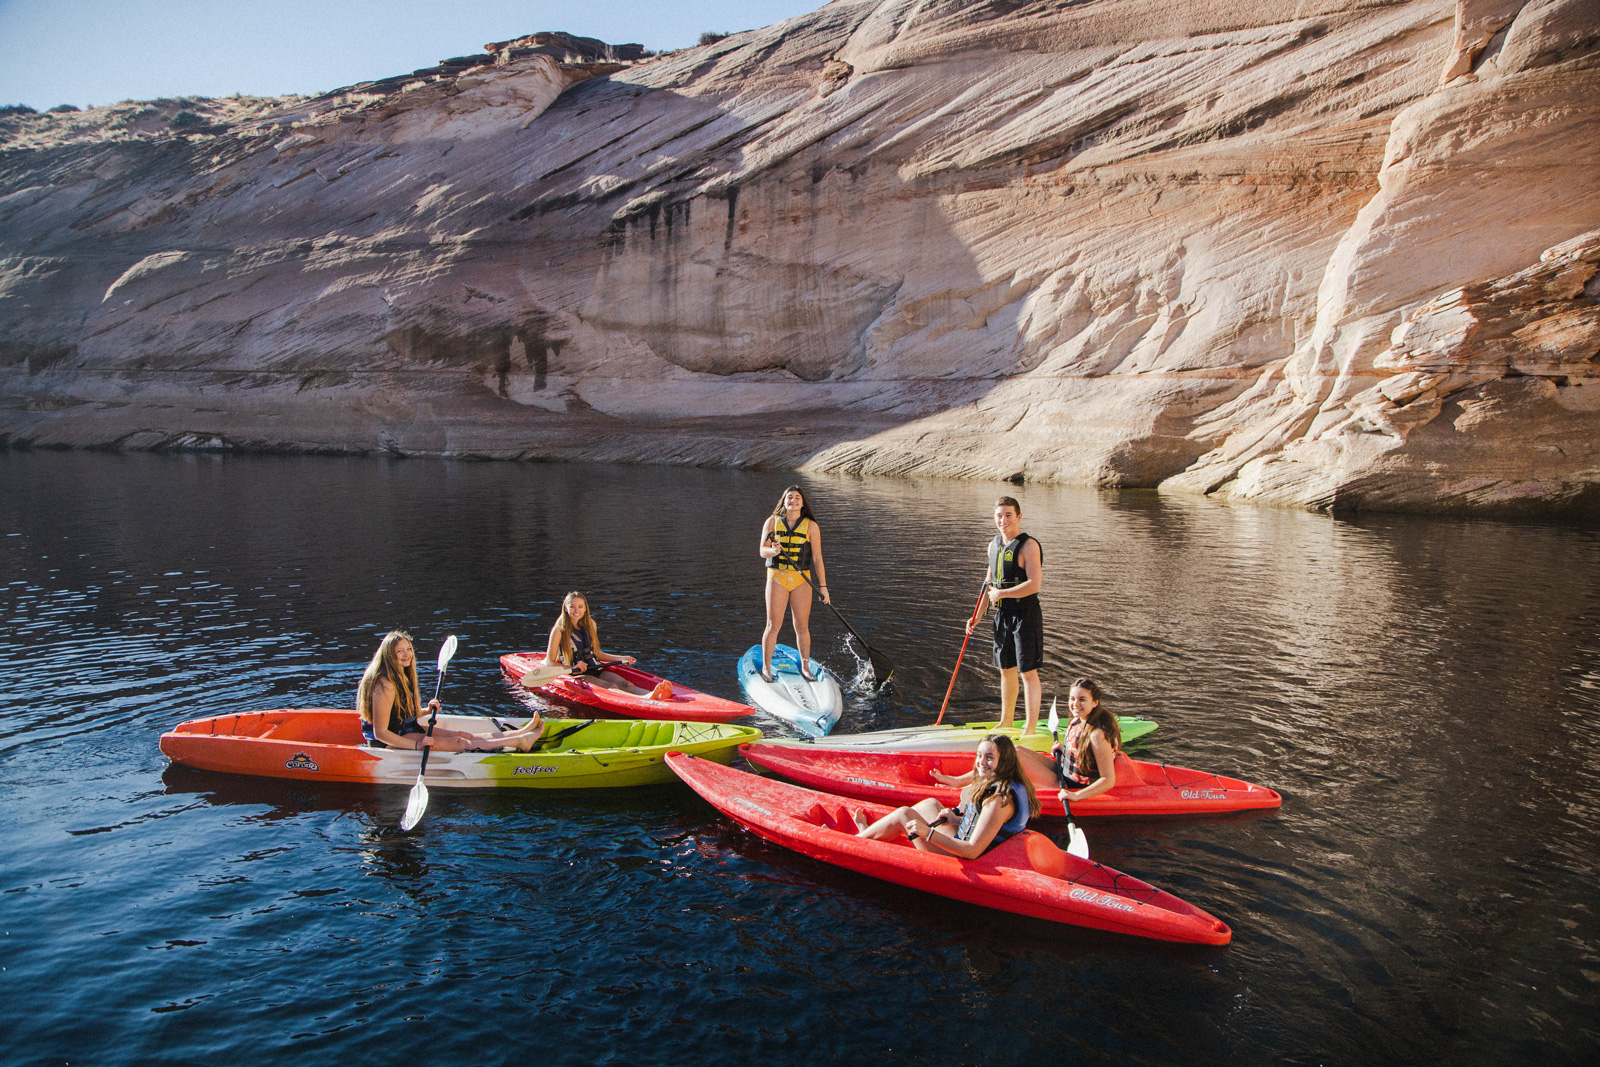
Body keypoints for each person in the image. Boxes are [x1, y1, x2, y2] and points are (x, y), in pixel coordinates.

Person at [854, 735, 1039, 858]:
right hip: (964, 841)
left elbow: (972, 851)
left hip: (963, 859)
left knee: (904, 815)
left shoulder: (999, 800)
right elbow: (990, 828)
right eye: (979, 755)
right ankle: (870, 834)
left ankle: (857, 842)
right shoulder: (1003, 784)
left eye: (989, 757)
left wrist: (929, 833)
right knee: (931, 804)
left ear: (1004, 761)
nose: (981, 762)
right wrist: (956, 820)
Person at [358, 630, 544, 751]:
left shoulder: (401, 675)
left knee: (464, 735)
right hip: (389, 743)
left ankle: (519, 733)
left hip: (405, 731)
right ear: (389, 655)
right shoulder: (385, 685)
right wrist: (416, 744)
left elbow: (399, 715)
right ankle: (520, 742)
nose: (407, 654)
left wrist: (425, 711)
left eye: (408, 649)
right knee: (459, 743)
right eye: (399, 651)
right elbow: (380, 733)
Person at [966, 495, 1044, 733]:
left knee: (1027, 670)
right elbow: (988, 585)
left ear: (1018, 516)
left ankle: (1030, 727)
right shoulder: (994, 546)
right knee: (1005, 668)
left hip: (1025, 615)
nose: (1004, 520)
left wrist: (1002, 594)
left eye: (1008, 515)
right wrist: (976, 617)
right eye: (999, 515)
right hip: (1002, 616)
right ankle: (1006, 720)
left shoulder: (1029, 545)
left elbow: (1034, 584)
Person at [758, 485, 830, 682]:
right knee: (773, 625)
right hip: (777, 578)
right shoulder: (772, 522)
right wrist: (773, 551)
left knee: (802, 626)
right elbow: (762, 551)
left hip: (801, 580)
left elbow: (817, 559)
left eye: (797, 498)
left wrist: (823, 587)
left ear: (802, 503)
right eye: (789, 498)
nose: (793, 501)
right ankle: (766, 667)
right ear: (784, 501)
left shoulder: (811, 527)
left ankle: (805, 667)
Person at [545, 591, 651, 695]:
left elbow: (596, 653)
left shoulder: (591, 624)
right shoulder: (559, 630)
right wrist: (571, 668)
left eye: (580, 606)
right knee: (611, 687)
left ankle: (655, 697)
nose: (576, 610)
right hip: (577, 675)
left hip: (596, 669)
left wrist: (621, 658)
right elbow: (550, 662)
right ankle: (645, 700)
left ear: (585, 608)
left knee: (627, 684)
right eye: (572, 606)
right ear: (566, 608)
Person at [1051, 678, 1120, 804]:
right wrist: (1064, 750)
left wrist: (1076, 795)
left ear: (1095, 702)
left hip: (1077, 785)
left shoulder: (1097, 735)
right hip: (1066, 773)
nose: (1075, 704)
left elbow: (1108, 780)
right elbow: (1081, 754)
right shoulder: (1077, 720)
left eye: (1082, 700)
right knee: (1018, 751)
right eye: (1072, 699)